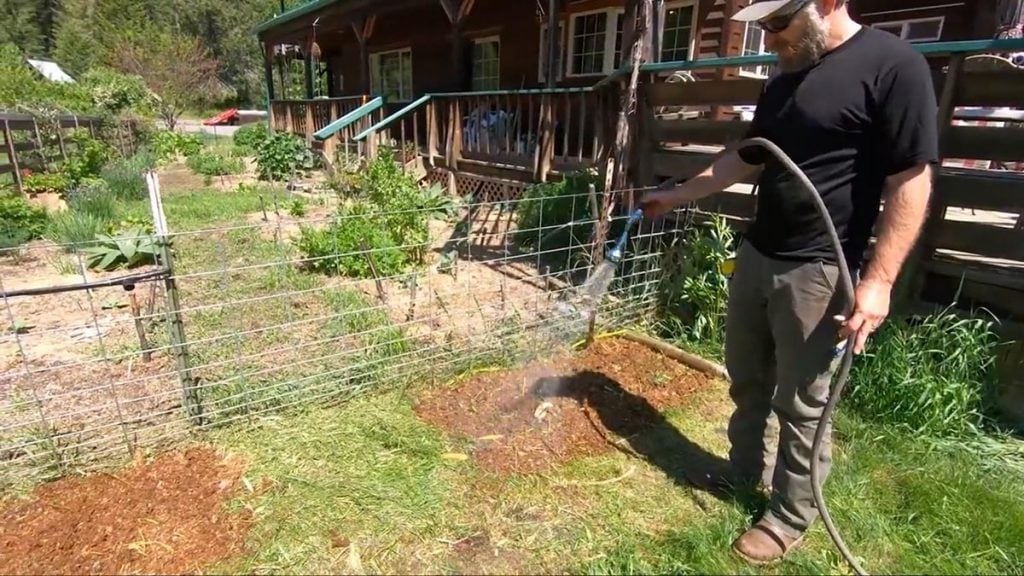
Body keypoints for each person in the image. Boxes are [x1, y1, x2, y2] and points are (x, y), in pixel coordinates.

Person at [640, 0, 938, 565]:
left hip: (821, 268)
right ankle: (741, 471)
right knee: (746, 379)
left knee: (802, 403)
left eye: (779, 24)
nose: (769, 39)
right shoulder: (785, 81)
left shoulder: (893, 66)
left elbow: (910, 181)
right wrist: (678, 193)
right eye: (766, 27)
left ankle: (790, 513)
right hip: (757, 254)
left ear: (826, 4)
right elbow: (746, 158)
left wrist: (878, 281)